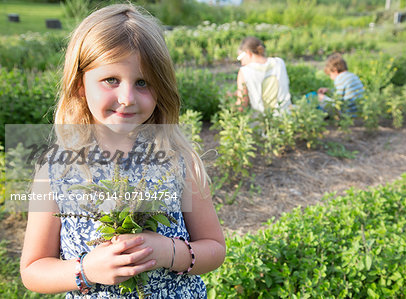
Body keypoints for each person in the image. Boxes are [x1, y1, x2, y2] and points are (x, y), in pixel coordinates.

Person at [20, 4, 225, 298]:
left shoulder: (179, 159)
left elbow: (214, 248)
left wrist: (169, 251)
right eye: (111, 80)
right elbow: (33, 269)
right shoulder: (56, 169)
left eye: (143, 83)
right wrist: (86, 270)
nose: (127, 98)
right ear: (80, 85)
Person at [235, 36, 292, 114]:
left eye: (240, 58)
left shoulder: (245, 71)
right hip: (286, 117)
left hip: (263, 121)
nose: (242, 62)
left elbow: (242, 105)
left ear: (248, 53)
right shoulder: (279, 62)